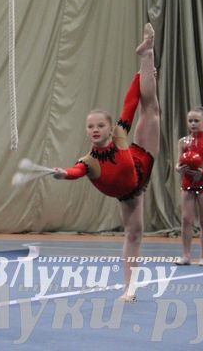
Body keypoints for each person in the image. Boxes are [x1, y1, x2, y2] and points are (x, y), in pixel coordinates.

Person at [52, 23, 159, 301]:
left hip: (140, 161)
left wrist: (139, 76)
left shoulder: (120, 134)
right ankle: (129, 288)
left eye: (100, 125)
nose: (96, 129)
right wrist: (63, 173)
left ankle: (146, 53)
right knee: (133, 234)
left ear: (108, 128)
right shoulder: (89, 161)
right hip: (129, 192)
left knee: (151, 111)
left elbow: (130, 104)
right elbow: (77, 171)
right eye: (91, 126)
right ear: (87, 131)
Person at [175, 106, 203, 266]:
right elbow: (178, 163)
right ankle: (186, 255)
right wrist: (177, 168)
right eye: (190, 121)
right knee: (186, 219)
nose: (193, 124)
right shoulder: (183, 142)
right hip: (187, 184)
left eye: (196, 121)